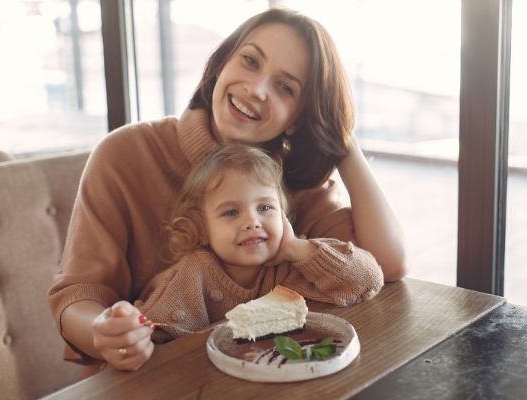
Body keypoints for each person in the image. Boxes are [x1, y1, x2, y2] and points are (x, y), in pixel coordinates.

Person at [48, 7, 409, 372]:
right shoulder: (124, 154)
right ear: (222, 63)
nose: (256, 89)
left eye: (285, 87)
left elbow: (387, 265)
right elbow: (78, 296)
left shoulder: (297, 179)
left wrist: (342, 143)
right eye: (250, 61)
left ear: (298, 116)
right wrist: (105, 331)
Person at [136, 143, 384, 343]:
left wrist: (297, 248)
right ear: (202, 230)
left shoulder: (293, 264)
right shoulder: (192, 275)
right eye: (231, 213)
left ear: (283, 215)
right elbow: (152, 334)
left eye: (265, 207)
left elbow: (368, 281)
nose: (253, 222)